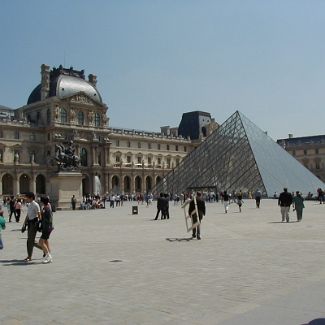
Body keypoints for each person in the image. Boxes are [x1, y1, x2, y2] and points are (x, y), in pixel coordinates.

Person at [21, 192, 42, 262]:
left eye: (27, 197)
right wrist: (24, 224)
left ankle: (29, 256)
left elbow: (39, 215)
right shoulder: (29, 205)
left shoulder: (36, 205)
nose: (26, 198)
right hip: (29, 223)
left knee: (30, 241)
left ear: (31, 198)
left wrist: (40, 224)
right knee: (30, 241)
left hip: (34, 224)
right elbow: (28, 215)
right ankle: (44, 249)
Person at [39, 197, 54, 264]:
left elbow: (47, 219)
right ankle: (49, 255)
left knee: (41, 242)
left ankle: (48, 256)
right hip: (48, 227)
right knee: (46, 241)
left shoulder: (46, 209)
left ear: (42, 202)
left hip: (46, 227)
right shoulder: (48, 207)